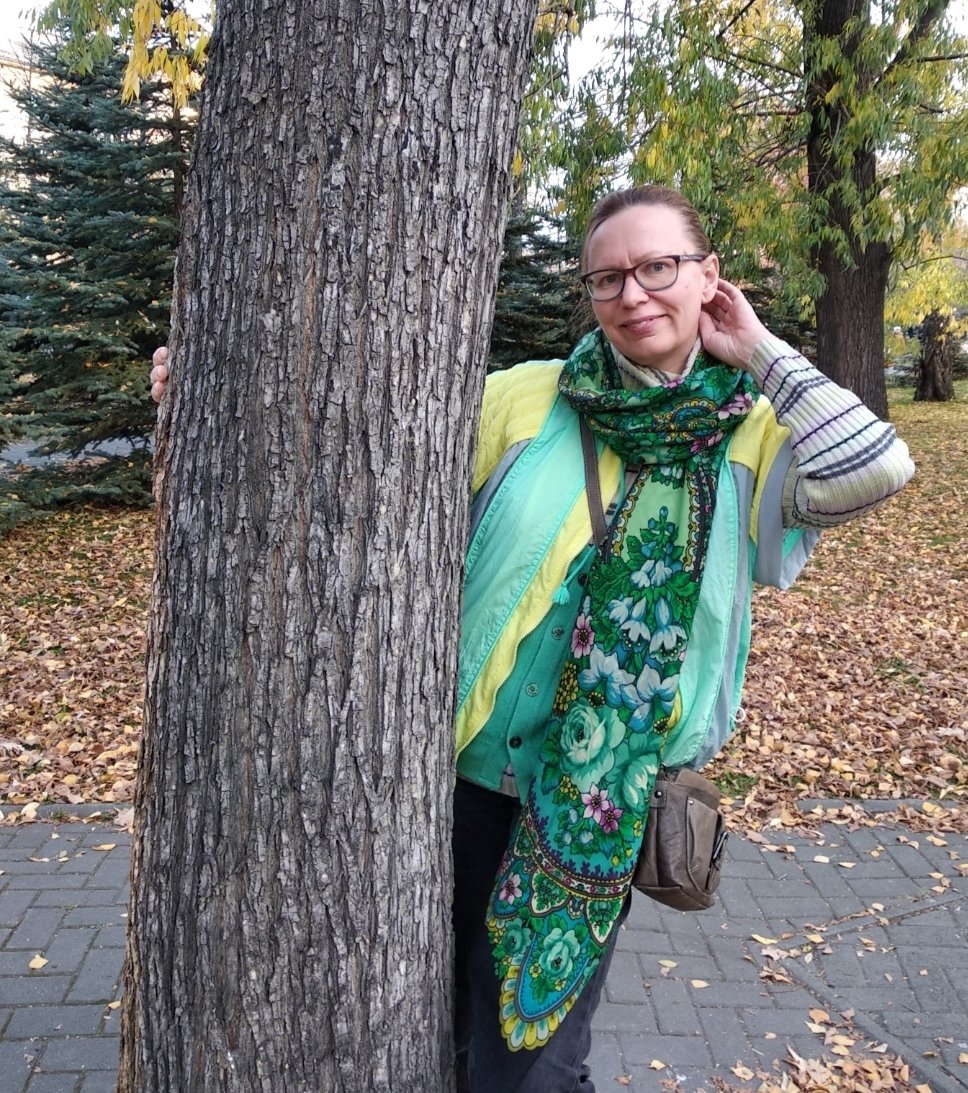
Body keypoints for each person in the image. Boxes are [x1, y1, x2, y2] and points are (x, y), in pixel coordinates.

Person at [150, 184, 914, 1093]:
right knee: (422, 1027)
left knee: (534, 1065)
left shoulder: (756, 436)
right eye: (607, 278)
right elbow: (354, 444)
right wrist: (209, 393)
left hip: (600, 808)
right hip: (449, 786)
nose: (633, 294)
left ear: (710, 276)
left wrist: (754, 347)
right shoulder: (528, 398)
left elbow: (877, 466)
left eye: (659, 267)